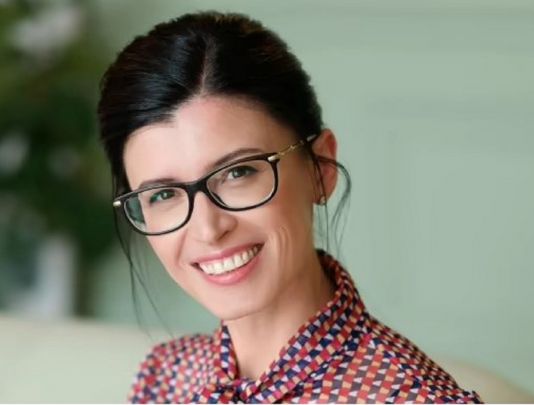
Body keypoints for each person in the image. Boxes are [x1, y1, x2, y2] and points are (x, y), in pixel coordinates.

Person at [97, 11, 482, 404]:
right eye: (163, 195)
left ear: (320, 168)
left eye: (238, 172)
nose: (208, 229)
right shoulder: (165, 379)